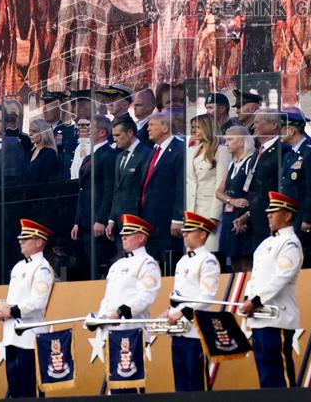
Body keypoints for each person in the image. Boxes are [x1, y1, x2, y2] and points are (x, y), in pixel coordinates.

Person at [239, 192, 302, 389]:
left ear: (288, 215)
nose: (269, 215)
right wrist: (247, 297)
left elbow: (281, 278)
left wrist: (255, 301)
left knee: (280, 374)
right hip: (259, 317)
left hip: (277, 317)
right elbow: (256, 277)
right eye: (268, 212)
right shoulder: (265, 244)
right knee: (266, 375)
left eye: (274, 211)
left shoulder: (290, 242)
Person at [96, 214, 162, 394]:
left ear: (141, 237)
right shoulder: (117, 265)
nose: (123, 237)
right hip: (112, 331)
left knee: (131, 384)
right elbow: (108, 297)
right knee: (116, 387)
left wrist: (120, 312)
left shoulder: (148, 263)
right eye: (123, 234)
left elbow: (145, 297)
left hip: (132, 332)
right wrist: (100, 318)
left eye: (128, 234)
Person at [0, 220, 54, 399]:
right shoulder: (18, 267)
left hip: (29, 337)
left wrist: (10, 311)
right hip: (11, 335)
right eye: (21, 238)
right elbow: (12, 300)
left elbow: (38, 302)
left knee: (29, 390)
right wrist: (2, 312)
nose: (21, 241)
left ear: (39, 242)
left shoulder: (42, 268)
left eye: (26, 238)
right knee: (15, 389)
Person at [167, 212, 220, 391]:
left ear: (203, 234)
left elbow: (207, 295)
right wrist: (169, 311)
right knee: (180, 385)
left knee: (197, 384)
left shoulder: (208, 260)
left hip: (195, 332)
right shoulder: (182, 261)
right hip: (178, 330)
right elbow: (178, 295)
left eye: (190, 231)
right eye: (185, 231)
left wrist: (182, 312)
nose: (184, 234)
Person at [71, 115, 118, 279]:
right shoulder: (89, 156)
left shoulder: (109, 155)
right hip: (84, 220)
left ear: (102, 132)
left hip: (96, 220)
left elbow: (108, 190)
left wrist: (102, 219)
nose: (87, 132)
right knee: (86, 267)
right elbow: (83, 190)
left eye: (91, 129)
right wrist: (77, 221)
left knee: (97, 266)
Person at [278, 107, 311, 267]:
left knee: (304, 256)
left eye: (282, 129)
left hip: (302, 216)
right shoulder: (290, 154)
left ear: (291, 130)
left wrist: (308, 218)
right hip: (290, 215)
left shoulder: (310, 153)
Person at [141, 112, 186, 268]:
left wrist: (178, 218)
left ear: (165, 128)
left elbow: (181, 185)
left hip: (168, 219)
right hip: (150, 218)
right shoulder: (153, 151)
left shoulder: (179, 149)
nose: (148, 129)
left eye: (152, 125)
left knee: (170, 262)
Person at [239, 110, 284, 248]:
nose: (254, 126)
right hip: (256, 217)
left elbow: (280, 187)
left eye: (258, 122)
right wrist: (248, 213)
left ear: (274, 125)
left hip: (272, 218)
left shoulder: (282, 150)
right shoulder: (259, 150)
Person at [185, 114, 229, 252]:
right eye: (192, 127)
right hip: (192, 211)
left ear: (208, 128)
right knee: (192, 254)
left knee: (209, 252)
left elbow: (221, 185)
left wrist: (214, 217)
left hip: (209, 211)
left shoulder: (221, 150)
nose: (193, 130)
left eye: (198, 127)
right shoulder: (191, 151)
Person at [105, 115, 151, 241]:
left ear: (130, 133)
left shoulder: (146, 155)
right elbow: (117, 190)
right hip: (120, 222)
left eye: (118, 135)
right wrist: (111, 219)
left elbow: (146, 191)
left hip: (137, 221)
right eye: (113, 136)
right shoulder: (119, 157)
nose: (115, 139)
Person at [216, 126, 255, 272]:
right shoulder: (232, 163)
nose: (226, 143)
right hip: (230, 214)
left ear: (242, 141)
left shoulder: (250, 161)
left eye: (230, 139)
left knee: (246, 260)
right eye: (226, 140)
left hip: (244, 216)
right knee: (233, 259)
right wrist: (231, 201)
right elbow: (218, 192)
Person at [40, 92, 75, 182]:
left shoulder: (69, 132)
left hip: (58, 180)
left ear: (60, 108)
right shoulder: (38, 132)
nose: (44, 109)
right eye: (44, 105)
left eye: (49, 105)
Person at [25, 119, 60, 184]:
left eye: (34, 131)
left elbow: (48, 181)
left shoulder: (50, 154)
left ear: (43, 133)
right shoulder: (30, 153)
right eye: (29, 131)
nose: (30, 134)